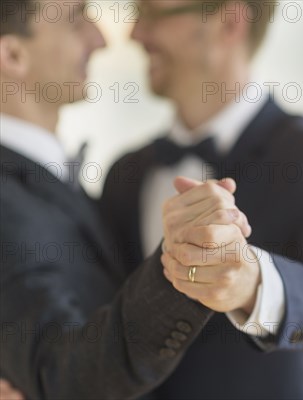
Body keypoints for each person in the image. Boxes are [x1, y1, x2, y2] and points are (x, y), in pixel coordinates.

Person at [98, 0, 303, 398]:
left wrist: (250, 283)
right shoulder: (124, 175)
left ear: (229, 23)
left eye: (154, 14)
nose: (135, 34)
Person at [0, 0, 252, 398]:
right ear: (13, 55)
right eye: (76, 18)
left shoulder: (74, 182)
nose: (100, 39)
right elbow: (64, 377)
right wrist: (184, 261)